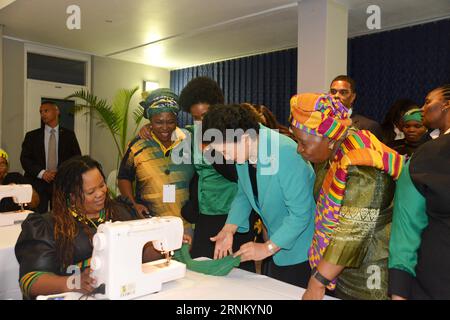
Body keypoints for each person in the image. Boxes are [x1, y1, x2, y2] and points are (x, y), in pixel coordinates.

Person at [289, 93, 405, 300]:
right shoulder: (334, 153)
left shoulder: (363, 165)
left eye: (303, 142)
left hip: (368, 275)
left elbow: (352, 230)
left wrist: (318, 281)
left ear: (329, 137)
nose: (299, 149)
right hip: (335, 265)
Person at [15, 156, 164, 299]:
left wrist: (161, 245)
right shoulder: (48, 226)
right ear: (72, 196)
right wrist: (72, 283)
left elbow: (144, 255)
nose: (100, 193)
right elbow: (30, 280)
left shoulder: (122, 211)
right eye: (90, 192)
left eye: (102, 185)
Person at [203, 104, 316, 288]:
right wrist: (229, 228)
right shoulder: (245, 152)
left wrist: (267, 248)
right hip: (274, 244)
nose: (226, 157)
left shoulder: (285, 152)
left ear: (246, 138)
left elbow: (301, 214)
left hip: (301, 251)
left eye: (225, 151)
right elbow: (244, 193)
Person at [388, 84, 450, 300]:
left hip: (435, 281)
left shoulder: (424, 157)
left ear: (446, 106)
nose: (423, 108)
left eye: (427, 102)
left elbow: (406, 229)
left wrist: (399, 292)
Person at [118, 88, 194, 235]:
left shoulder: (189, 141)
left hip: (184, 223)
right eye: (159, 122)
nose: (165, 127)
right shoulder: (137, 145)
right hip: (150, 223)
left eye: (170, 122)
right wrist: (133, 204)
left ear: (176, 120)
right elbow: (124, 178)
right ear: (150, 121)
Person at [20, 102, 81, 213]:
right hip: (37, 183)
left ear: (57, 111)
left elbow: (76, 159)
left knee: (61, 216)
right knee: (37, 217)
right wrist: (43, 173)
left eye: (46, 111)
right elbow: (25, 159)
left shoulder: (69, 135)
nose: (43, 114)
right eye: (41, 112)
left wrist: (61, 173)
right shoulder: (32, 136)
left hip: (60, 184)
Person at [330, 75, 383, 140]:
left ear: (353, 97)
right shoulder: (320, 121)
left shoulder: (369, 126)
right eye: (333, 92)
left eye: (343, 92)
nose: (336, 95)